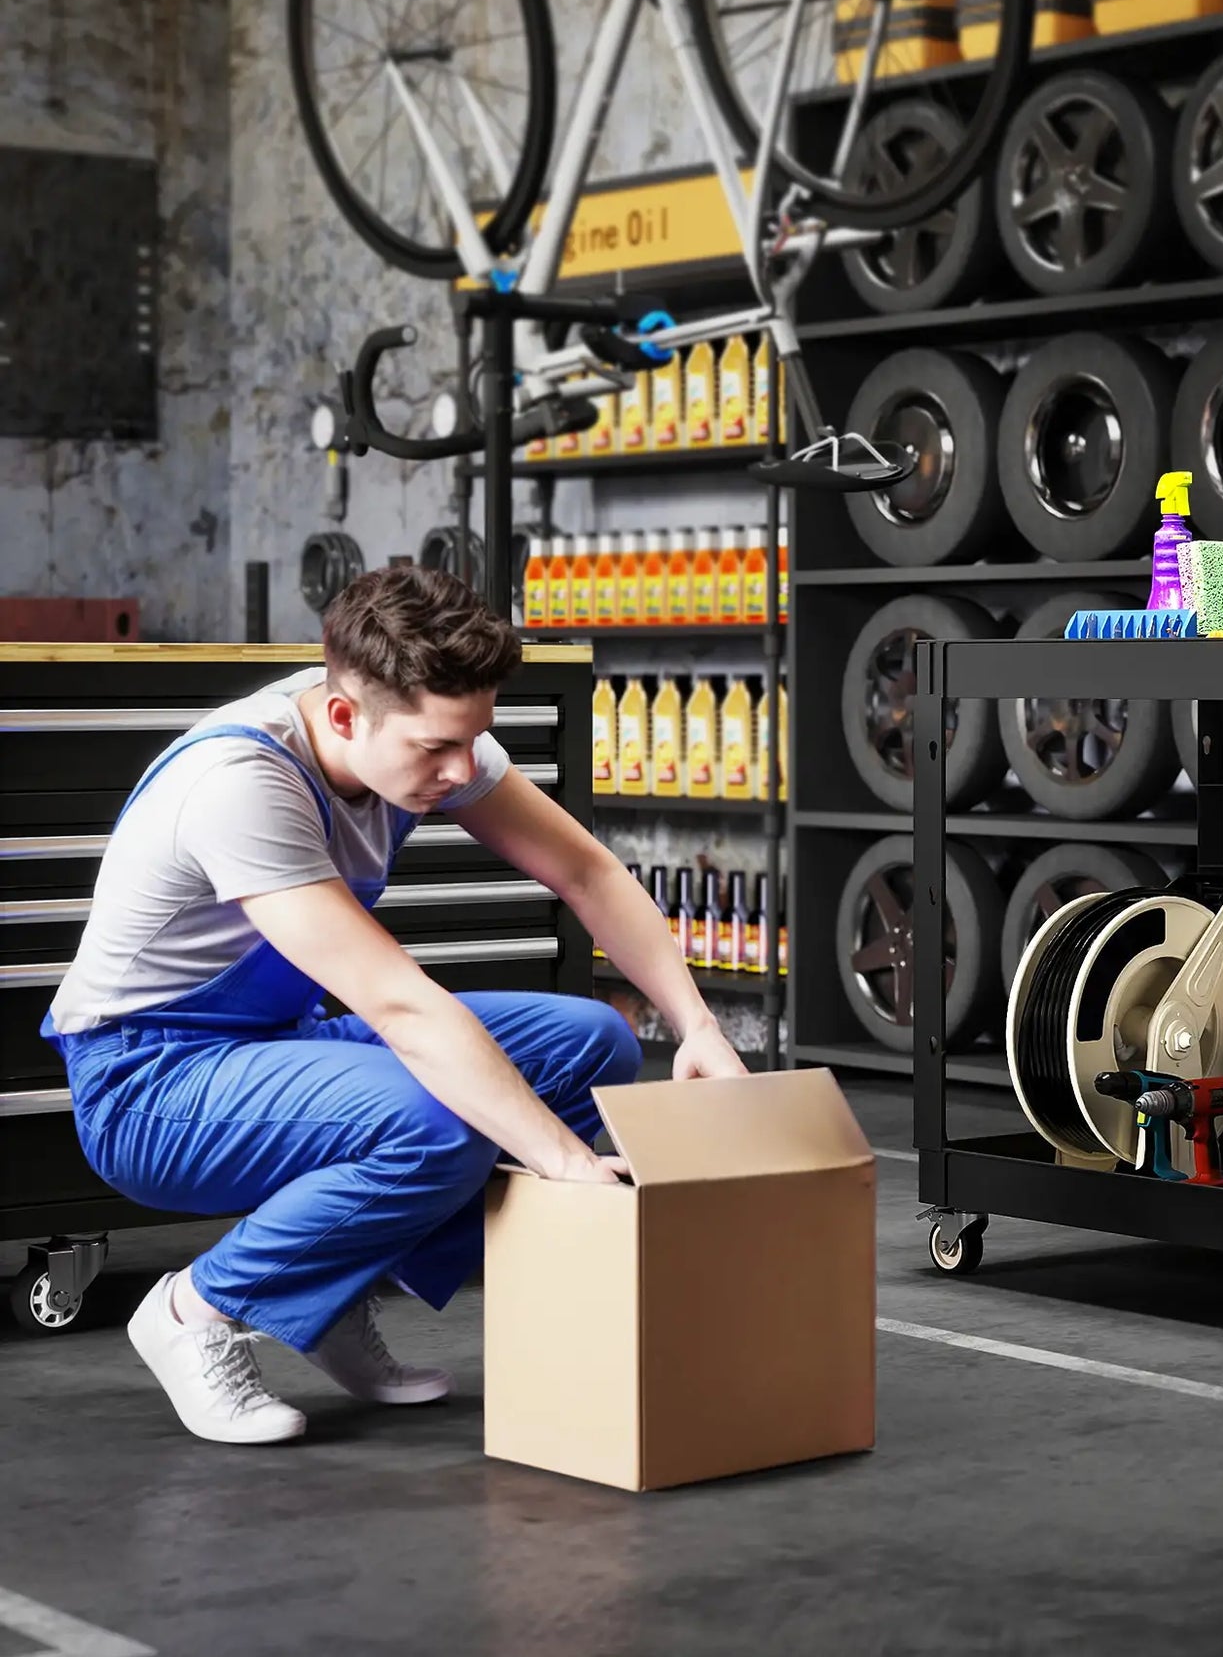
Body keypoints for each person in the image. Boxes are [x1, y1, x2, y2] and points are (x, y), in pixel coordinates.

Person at [44, 564, 745, 1445]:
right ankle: (196, 1311)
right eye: (436, 749)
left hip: (277, 1042)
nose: (463, 770)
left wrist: (697, 1025)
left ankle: (331, 1291)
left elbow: (585, 871)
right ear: (345, 716)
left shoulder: (424, 733)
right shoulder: (241, 783)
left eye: (475, 738)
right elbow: (401, 1006)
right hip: (147, 1081)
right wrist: (565, 1162)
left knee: (592, 1044)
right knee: (443, 1120)